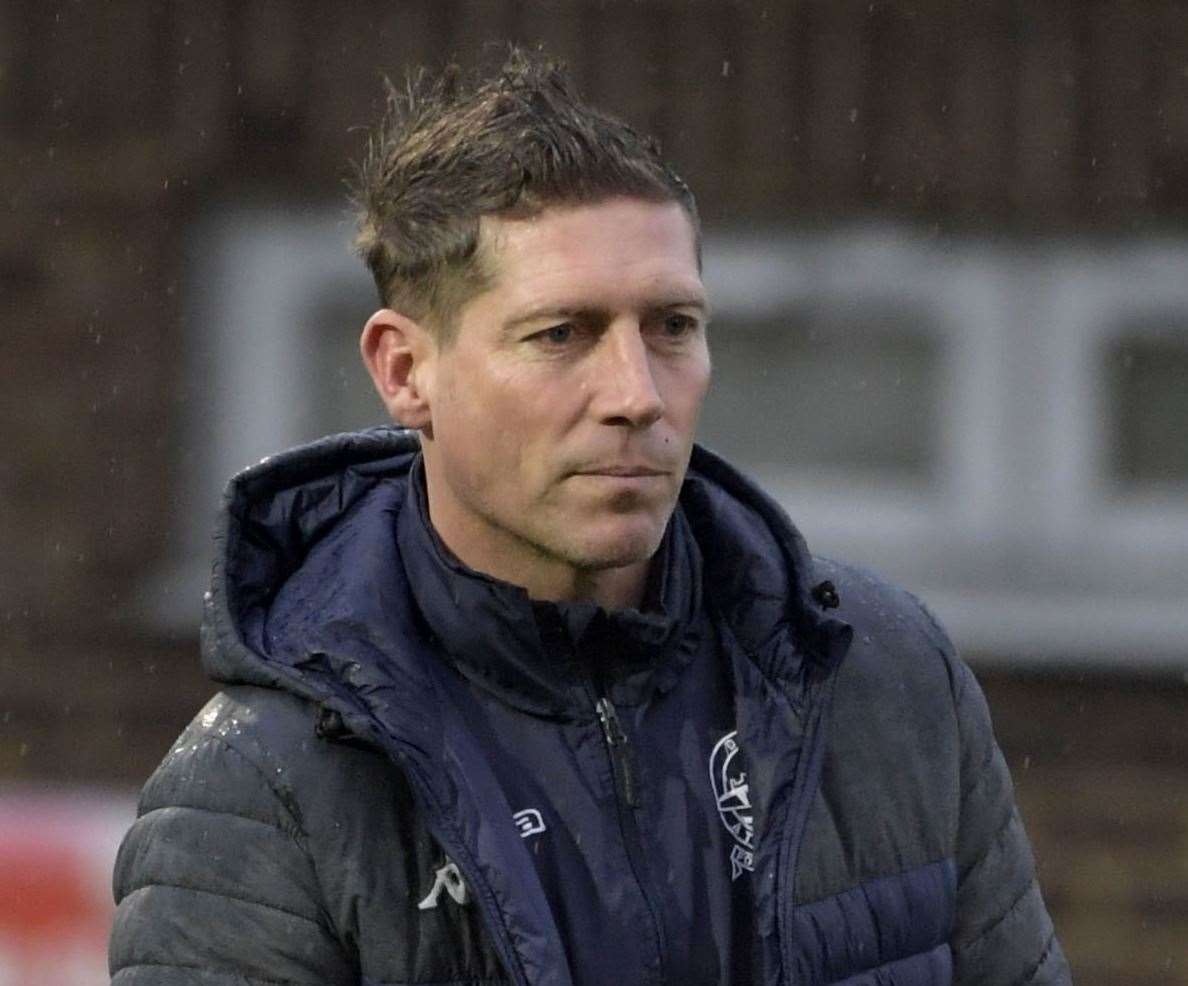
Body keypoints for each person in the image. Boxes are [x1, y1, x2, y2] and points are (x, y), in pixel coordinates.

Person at [109, 50, 1070, 986]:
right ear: (407, 371)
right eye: (561, 334)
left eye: (672, 328)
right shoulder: (257, 792)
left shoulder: (885, 679)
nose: (636, 394)